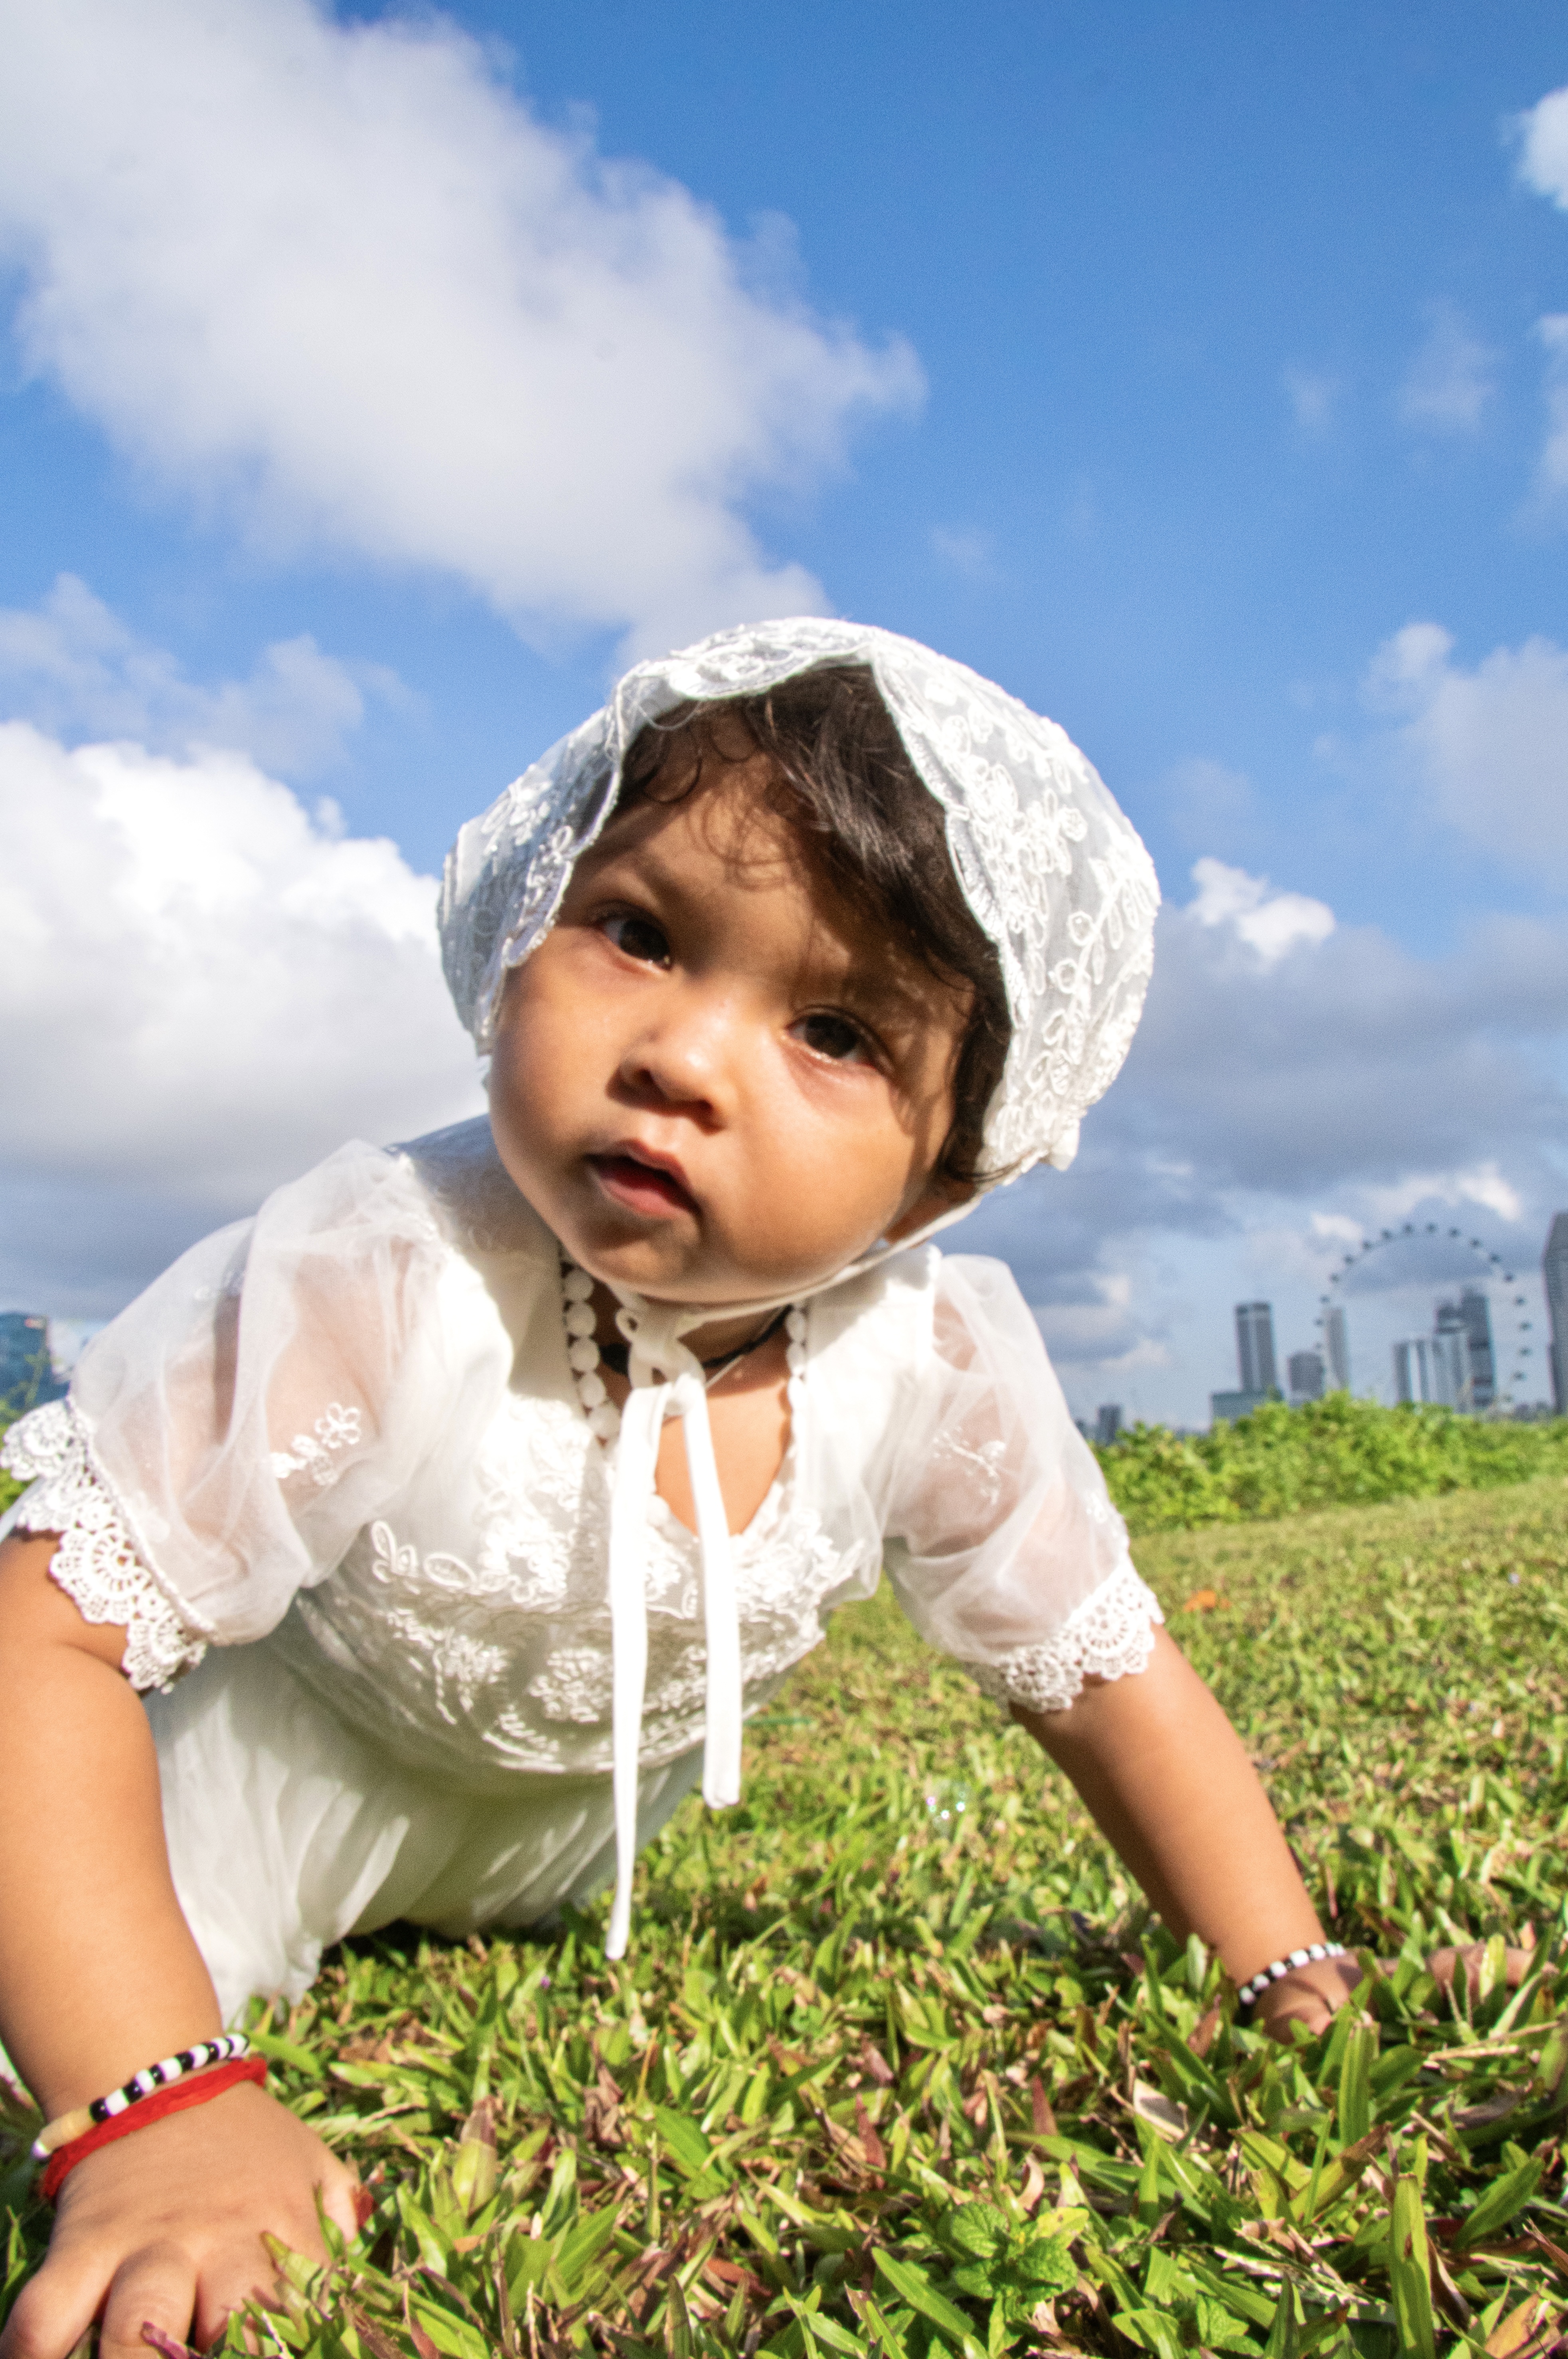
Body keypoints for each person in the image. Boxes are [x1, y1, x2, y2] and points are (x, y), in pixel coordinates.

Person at [0, 620, 1358, 2359]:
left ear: (942, 1183)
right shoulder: (380, 1273)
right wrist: (155, 2110)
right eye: (636, 934)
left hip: (564, 1842)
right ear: (516, 932)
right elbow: (42, 1638)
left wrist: (1275, 1971)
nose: (683, 1058)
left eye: (837, 1030)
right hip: (254, 1805)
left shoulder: (931, 1362)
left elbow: (1110, 1683)